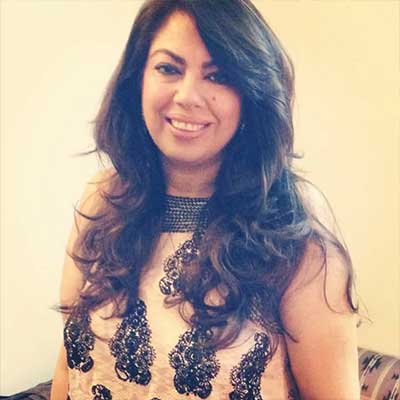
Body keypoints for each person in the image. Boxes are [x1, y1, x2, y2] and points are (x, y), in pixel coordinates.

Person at [50, 0, 361, 399]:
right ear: (137, 78)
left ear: (251, 93)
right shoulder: (103, 199)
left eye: (218, 76)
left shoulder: (294, 226)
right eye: (168, 68)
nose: (187, 96)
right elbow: (70, 364)